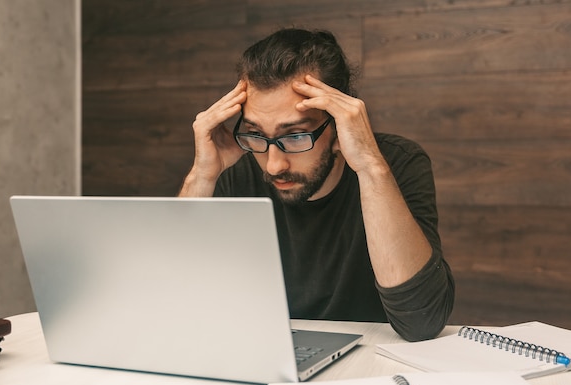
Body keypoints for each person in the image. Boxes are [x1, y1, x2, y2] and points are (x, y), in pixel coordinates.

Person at [178, 28, 454, 341]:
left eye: (295, 136)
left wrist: (370, 168)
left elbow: (422, 321)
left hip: (372, 364)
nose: (274, 164)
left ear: (338, 126)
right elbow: (171, 303)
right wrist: (201, 176)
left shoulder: (395, 162)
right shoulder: (234, 171)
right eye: (256, 134)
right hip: (269, 355)